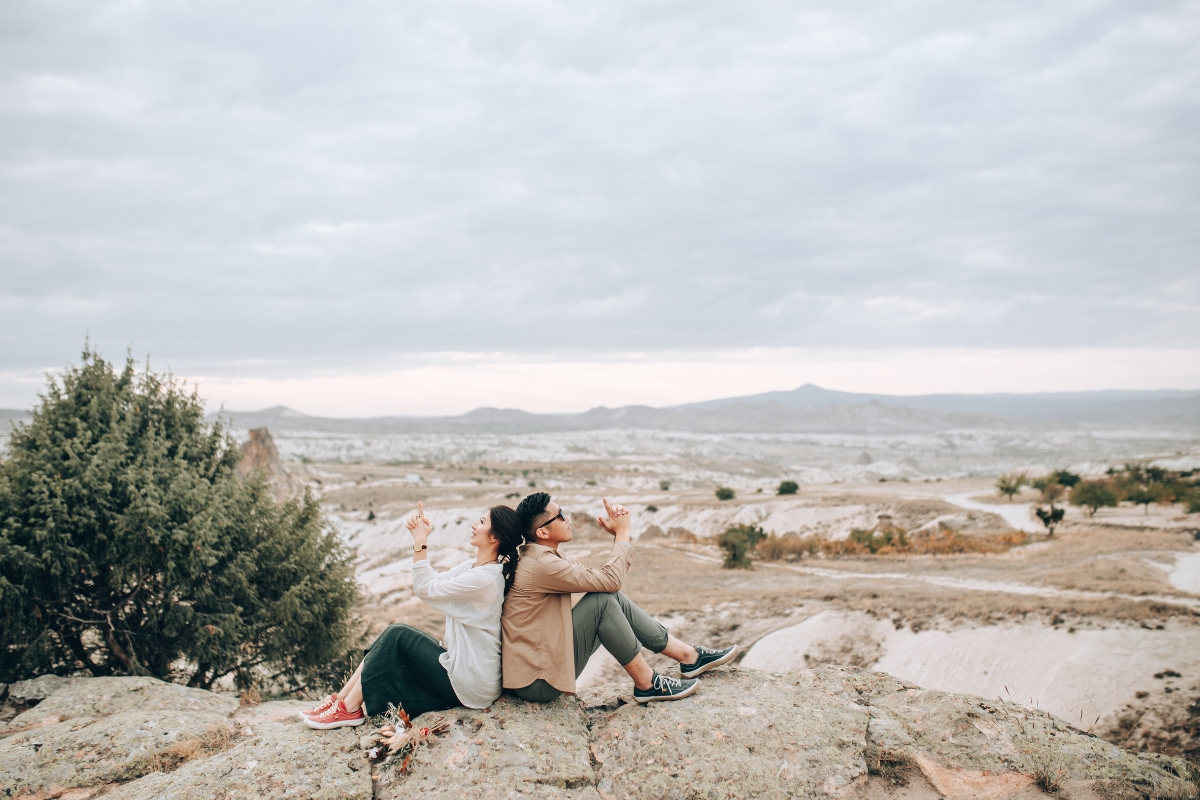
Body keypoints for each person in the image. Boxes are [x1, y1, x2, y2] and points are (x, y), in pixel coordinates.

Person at [302, 501, 524, 729]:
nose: (474, 524)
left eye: (482, 521)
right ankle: (341, 701)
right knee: (391, 633)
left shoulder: (484, 579)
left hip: (472, 681)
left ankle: (349, 709)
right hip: (464, 668)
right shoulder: (474, 567)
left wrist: (420, 542)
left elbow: (425, 588)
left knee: (398, 635)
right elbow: (434, 580)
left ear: (494, 537)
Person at [502, 492, 738, 704]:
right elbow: (609, 580)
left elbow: (602, 581)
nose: (567, 518)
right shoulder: (541, 564)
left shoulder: (542, 556)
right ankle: (647, 684)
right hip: (537, 682)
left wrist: (618, 537)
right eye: (561, 516)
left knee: (608, 597)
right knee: (602, 601)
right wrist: (622, 534)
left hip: (540, 667)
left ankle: (690, 657)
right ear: (542, 532)